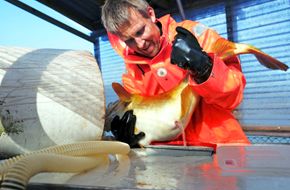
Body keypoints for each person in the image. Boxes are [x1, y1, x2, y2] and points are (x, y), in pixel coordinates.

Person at [101, 0, 250, 149]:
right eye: (129, 41)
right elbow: (151, 126)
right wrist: (132, 139)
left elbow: (234, 96)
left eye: (140, 31)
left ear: (151, 14)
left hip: (222, 148)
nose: (140, 44)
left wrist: (205, 67)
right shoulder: (132, 73)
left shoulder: (194, 35)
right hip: (169, 158)